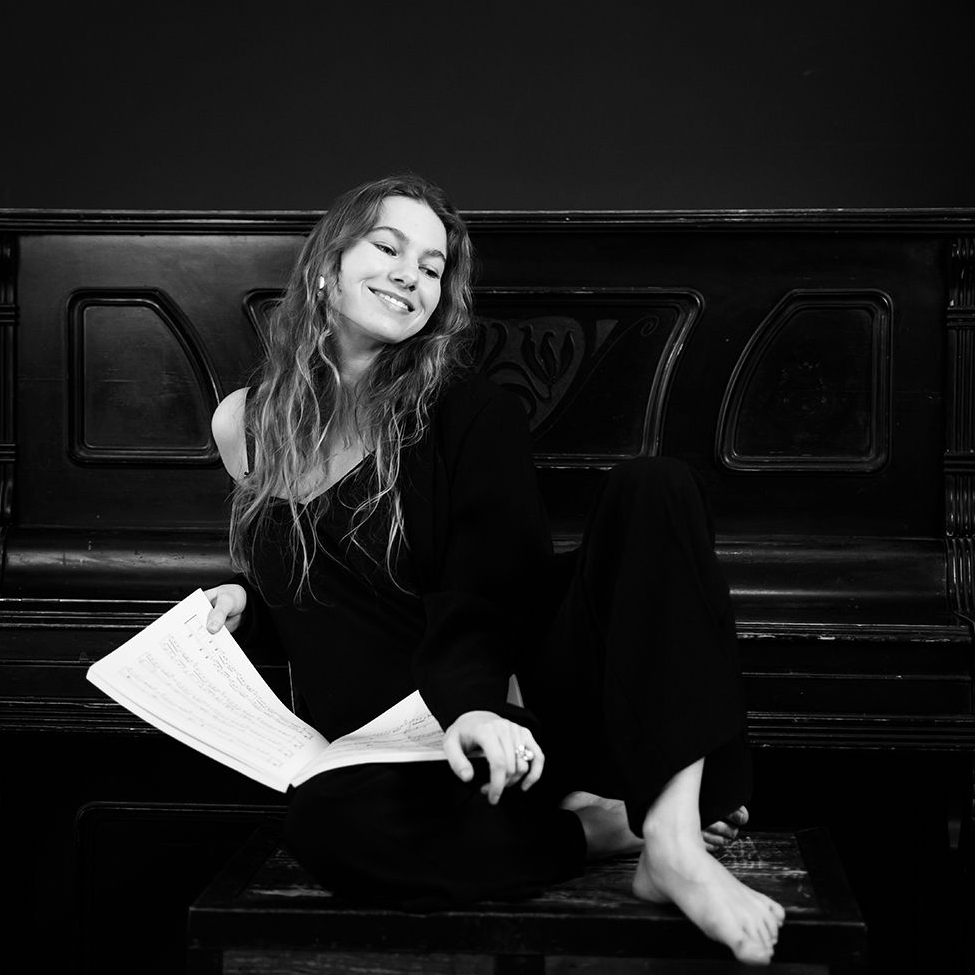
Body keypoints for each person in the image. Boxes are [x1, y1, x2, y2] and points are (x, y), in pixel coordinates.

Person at [205, 174, 785, 965]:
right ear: (325, 267)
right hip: (386, 755)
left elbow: (490, 589)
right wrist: (246, 598)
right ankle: (606, 825)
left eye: (432, 266)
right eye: (387, 248)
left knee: (657, 488)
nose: (410, 275)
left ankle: (674, 842)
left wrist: (477, 709)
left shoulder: (468, 412)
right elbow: (334, 588)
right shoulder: (245, 422)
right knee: (327, 827)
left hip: (495, 717)